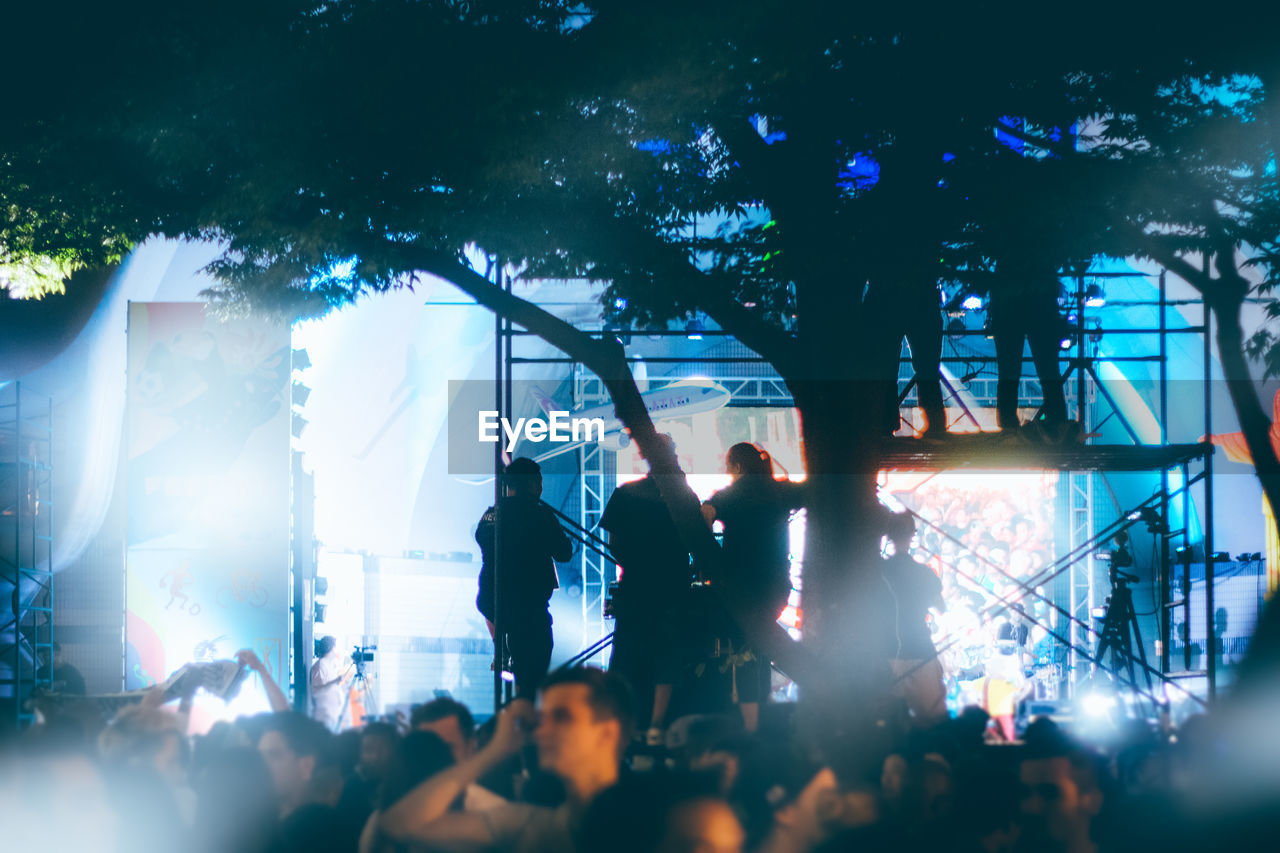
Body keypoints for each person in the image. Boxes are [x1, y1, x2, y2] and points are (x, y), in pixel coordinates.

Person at [377, 666, 633, 852]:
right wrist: (495, 750)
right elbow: (397, 825)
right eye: (540, 720)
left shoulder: (659, 818)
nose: (542, 731)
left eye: (563, 717)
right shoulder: (531, 825)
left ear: (608, 732)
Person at [702, 443, 805, 732]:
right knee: (758, 645)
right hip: (776, 586)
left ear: (736, 467)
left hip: (740, 586)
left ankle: (751, 725)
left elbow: (706, 512)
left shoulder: (730, 495)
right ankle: (763, 710)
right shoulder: (781, 491)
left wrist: (711, 554)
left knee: (745, 650)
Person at [599, 433, 695, 742]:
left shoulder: (626, 494)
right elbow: (697, 542)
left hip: (636, 587)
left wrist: (635, 562)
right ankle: (656, 726)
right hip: (673, 589)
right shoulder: (683, 497)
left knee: (626, 656)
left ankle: (620, 726)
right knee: (666, 658)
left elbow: (613, 544)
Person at [475, 456, 573, 698]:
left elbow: (483, 541)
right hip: (528, 607)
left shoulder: (489, 516)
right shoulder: (539, 516)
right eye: (539, 483)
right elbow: (564, 553)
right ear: (532, 484)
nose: (541, 489)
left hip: (491, 601)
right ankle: (522, 710)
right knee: (532, 675)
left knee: (497, 609)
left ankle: (501, 651)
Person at [986, 261, 1070, 441]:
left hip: (1009, 301)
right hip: (1040, 302)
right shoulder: (1042, 266)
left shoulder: (1007, 264)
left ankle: (1008, 424)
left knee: (1008, 368)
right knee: (1048, 368)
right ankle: (1057, 423)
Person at [879, 511, 948, 727]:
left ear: (888, 536)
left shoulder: (877, 572)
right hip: (920, 652)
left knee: (888, 724)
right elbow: (940, 607)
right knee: (933, 721)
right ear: (912, 536)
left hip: (884, 654)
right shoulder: (924, 573)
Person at [865, 275, 947, 438]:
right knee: (928, 367)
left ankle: (885, 425)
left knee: (885, 368)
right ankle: (935, 424)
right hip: (923, 297)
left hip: (885, 296)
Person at [410, 696, 506, 811]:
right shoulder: (396, 814)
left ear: (470, 747)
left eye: (447, 748)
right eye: (426, 749)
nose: (435, 757)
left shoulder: (494, 812)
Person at [310, 635, 350, 731]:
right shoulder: (320, 666)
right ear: (332, 648)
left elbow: (329, 687)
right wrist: (336, 681)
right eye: (336, 647)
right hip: (324, 717)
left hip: (332, 717)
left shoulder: (329, 666)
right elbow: (316, 691)